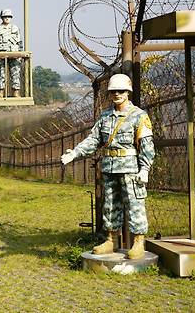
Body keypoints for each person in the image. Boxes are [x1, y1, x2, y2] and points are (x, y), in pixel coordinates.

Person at [60, 73, 154, 259]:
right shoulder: (105, 117)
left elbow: (147, 145)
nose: (117, 94)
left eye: (121, 91)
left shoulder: (138, 116)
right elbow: (93, 140)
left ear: (128, 92)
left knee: (135, 204)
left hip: (130, 168)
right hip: (110, 167)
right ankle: (110, 240)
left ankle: (138, 242)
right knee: (110, 205)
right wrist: (75, 153)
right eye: (113, 91)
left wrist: (145, 169)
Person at [0, 8, 23, 97]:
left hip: (14, 55)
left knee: (15, 73)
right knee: (0, 73)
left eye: (9, 16)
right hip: (1, 55)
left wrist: (20, 54)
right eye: (5, 16)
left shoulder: (15, 28)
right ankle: (0, 92)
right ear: (2, 18)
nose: (7, 18)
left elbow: (20, 43)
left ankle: (16, 92)